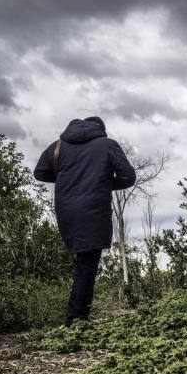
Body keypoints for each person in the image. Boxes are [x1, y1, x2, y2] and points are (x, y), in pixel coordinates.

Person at [33, 116, 135, 327]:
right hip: (93, 211)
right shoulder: (107, 145)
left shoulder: (58, 146)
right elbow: (128, 177)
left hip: (67, 212)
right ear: (101, 129)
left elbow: (40, 173)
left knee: (83, 263)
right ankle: (75, 322)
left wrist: (68, 182)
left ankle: (77, 318)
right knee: (87, 266)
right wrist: (103, 183)